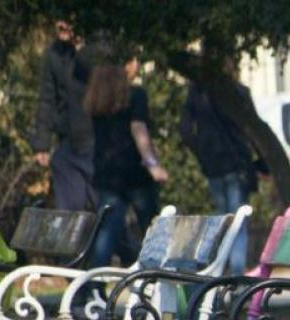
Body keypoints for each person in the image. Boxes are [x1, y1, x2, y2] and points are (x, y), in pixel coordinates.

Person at [83, 55, 168, 268]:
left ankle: (93, 283)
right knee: (152, 228)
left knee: (107, 231)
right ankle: (159, 274)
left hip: (106, 173)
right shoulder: (136, 95)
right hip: (134, 173)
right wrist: (152, 164)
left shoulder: (97, 100)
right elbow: (138, 129)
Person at [178, 73, 266, 275]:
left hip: (213, 164)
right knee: (238, 223)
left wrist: (200, 151)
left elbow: (185, 129)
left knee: (223, 221)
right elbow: (253, 129)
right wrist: (262, 163)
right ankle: (235, 276)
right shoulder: (238, 92)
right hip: (237, 163)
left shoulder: (197, 92)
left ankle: (220, 273)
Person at [31, 20, 95, 212]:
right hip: (69, 142)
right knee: (71, 209)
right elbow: (47, 99)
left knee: (106, 208)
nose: (62, 25)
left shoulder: (95, 49)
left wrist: (81, 50)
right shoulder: (54, 54)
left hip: (96, 141)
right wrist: (42, 142)